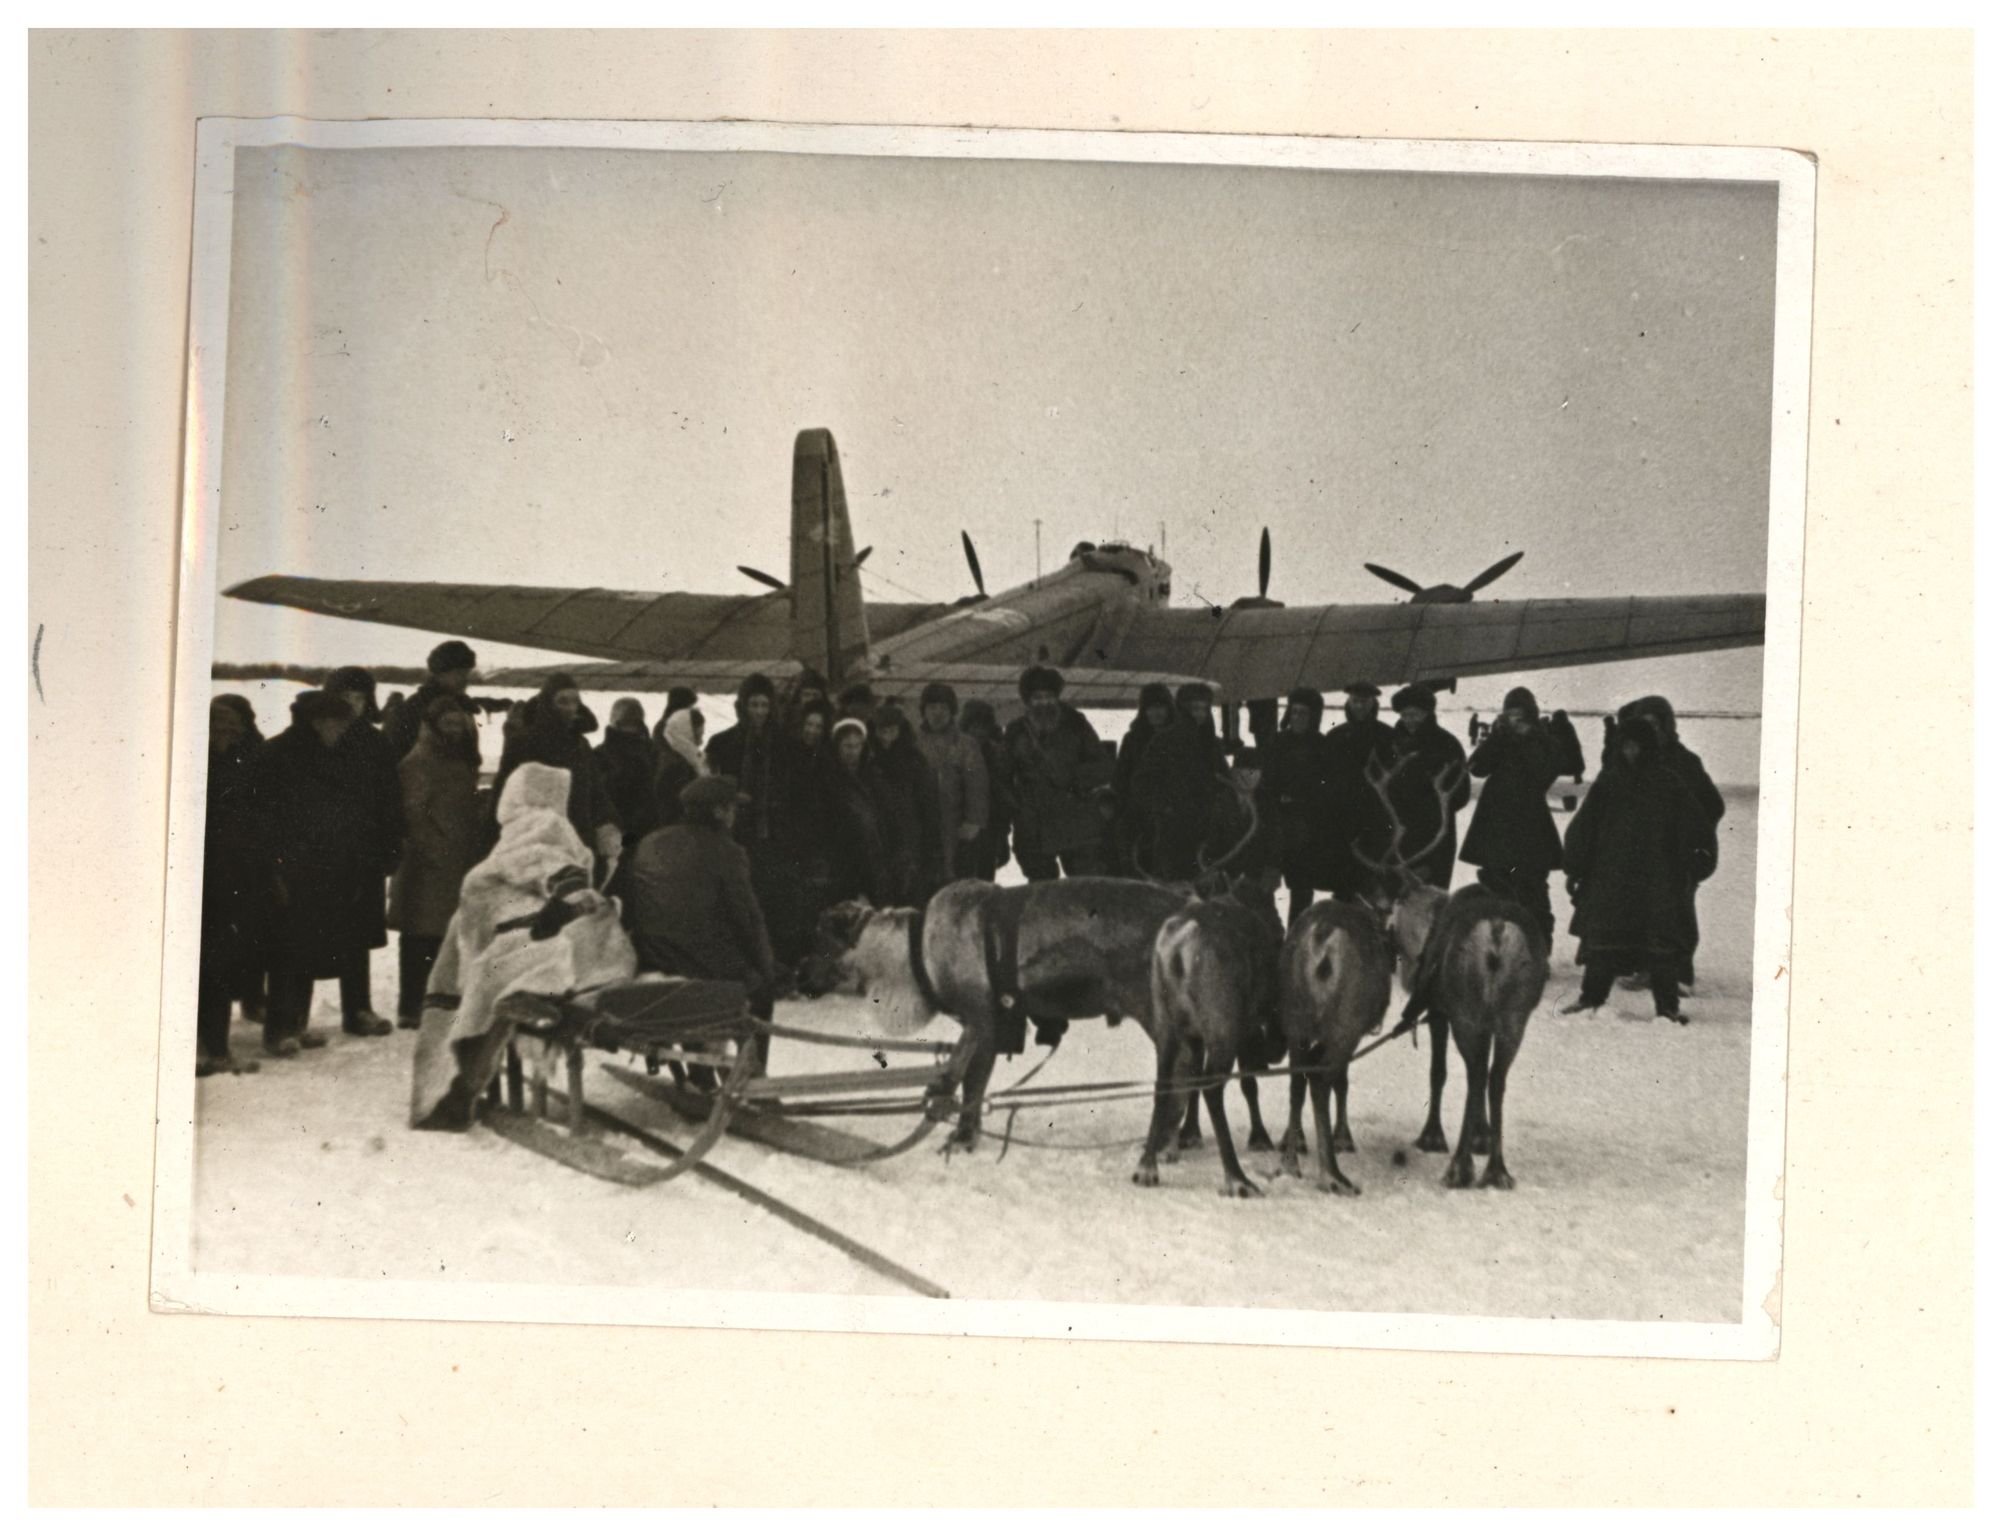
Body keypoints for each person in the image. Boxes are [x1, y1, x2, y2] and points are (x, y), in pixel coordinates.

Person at [251, 691, 387, 1055]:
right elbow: (263, 815)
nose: (342, 731)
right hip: (289, 867)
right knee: (287, 951)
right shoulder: (279, 753)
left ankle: (296, 1024)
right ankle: (280, 1030)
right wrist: (274, 865)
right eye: (339, 724)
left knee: (307, 948)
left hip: (327, 867)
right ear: (320, 721)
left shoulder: (331, 753)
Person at [1560, 713, 1710, 1023]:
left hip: (1656, 882)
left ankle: (1667, 1008)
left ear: (1649, 747)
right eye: (1625, 746)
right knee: (1602, 944)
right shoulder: (1609, 782)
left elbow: (1697, 831)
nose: (1630, 752)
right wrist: (1575, 866)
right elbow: (1585, 827)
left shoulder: (1669, 784)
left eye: (1636, 746)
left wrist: (1693, 868)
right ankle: (1591, 999)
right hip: (1611, 879)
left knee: (1660, 949)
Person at [387, 696, 483, 1029]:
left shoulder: (459, 758)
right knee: (420, 934)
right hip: (427, 863)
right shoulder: (420, 761)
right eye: (448, 723)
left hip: (456, 859)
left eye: (459, 724)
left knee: (444, 933)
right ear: (433, 725)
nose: (455, 730)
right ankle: (411, 1006)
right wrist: (434, 849)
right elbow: (413, 812)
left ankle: (436, 1001)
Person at [1620, 695, 1724, 986]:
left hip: (1679, 855)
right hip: (1646, 852)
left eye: (1655, 723)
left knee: (1678, 914)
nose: (1650, 730)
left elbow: (1713, 805)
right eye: (1644, 724)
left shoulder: (1684, 761)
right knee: (1644, 912)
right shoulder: (1636, 760)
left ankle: (1680, 975)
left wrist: (1690, 838)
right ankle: (1647, 969)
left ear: (1666, 725)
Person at [324, 665, 405, 1035]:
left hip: (364, 853)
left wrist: (391, 844)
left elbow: (391, 798)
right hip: (322, 853)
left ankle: (358, 1009)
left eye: (360, 698)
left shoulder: (376, 742)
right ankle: (290, 1018)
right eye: (346, 697)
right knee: (308, 931)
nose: (353, 705)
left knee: (357, 934)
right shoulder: (317, 737)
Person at [1459, 685, 1564, 951]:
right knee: (1495, 890)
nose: (1514, 721)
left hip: (1531, 829)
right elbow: (1477, 767)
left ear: (1530, 716)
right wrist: (1497, 738)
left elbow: (1542, 773)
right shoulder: (1502, 739)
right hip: (1496, 828)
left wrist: (1523, 738)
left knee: (1532, 894)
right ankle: (1498, 947)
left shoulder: (1545, 741)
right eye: (1510, 715)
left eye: (1519, 715)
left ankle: (1538, 949)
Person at [197, 697, 266, 1075]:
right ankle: (199, 1049)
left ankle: (217, 1049)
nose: (223, 737)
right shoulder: (191, 761)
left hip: (233, 878)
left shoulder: (246, 762)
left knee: (218, 967)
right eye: (216, 730)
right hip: (197, 877)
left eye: (230, 731)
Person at [489, 673, 622, 870]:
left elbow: (596, 792)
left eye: (575, 701)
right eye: (563, 701)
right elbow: (502, 794)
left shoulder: (581, 745)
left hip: (579, 841)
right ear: (548, 704)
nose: (570, 708)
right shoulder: (525, 743)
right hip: (537, 844)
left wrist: (607, 823)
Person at [1001, 666, 1109, 881]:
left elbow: (1102, 765)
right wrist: (1018, 806)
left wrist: (1074, 779)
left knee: (1083, 885)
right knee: (1041, 888)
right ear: (1028, 701)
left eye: (1049, 696)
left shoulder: (1076, 724)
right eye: (1037, 698)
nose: (1044, 703)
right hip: (1034, 825)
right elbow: (1003, 775)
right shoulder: (1016, 731)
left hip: (1074, 818)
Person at [1131, 681, 1234, 880]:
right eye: (1194, 708)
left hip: (1209, 833)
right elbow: (1142, 783)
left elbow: (1225, 781)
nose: (1199, 714)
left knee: (1207, 887)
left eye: (1204, 708)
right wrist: (1165, 807)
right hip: (1174, 833)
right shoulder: (1164, 741)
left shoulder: (1212, 744)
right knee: (1175, 887)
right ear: (1182, 709)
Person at [211, 694, 270, 1023]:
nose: (226, 730)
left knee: (253, 935)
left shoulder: (258, 753)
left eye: (232, 723)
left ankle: (253, 997)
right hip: (216, 861)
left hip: (250, 859)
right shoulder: (202, 754)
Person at [1380, 684, 1471, 889]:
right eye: (1405, 715)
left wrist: (1426, 808)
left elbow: (1461, 793)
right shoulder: (1391, 743)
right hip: (1396, 833)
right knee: (1393, 893)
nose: (1409, 720)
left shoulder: (1447, 744)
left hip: (1433, 837)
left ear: (1427, 712)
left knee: (1427, 894)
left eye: (1415, 714)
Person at [1260, 687, 1336, 924]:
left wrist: (1303, 800)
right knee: (1266, 884)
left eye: (1304, 713)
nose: (1298, 718)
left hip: (1306, 829)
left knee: (1302, 889)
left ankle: (1296, 933)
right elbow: (1266, 781)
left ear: (1313, 716)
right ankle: (1269, 933)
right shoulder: (1277, 742)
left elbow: (1326, 786)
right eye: (1294, 712)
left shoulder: (1322, 745)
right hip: (1276, 824)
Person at [1320, 681, 1397, 902]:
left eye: (1365, 701)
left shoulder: (1387, 736)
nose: (1360, 706)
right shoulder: (1335, 736)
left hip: (1376, 822)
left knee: (1375, 884)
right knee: (1344, 885)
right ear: (1348, 703)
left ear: (1373, 703)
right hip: (1343, 822)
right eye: (1355, 701)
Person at [913, 682, 990, 887]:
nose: (937, 712)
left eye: (943, 707)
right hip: (923, 824)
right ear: (924, 711)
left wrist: (974, 820)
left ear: (952, 710)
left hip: (956, 824)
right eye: (932, 707)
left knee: (957, 879)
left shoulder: (966, 744)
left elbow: (977, 784)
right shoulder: (914, 743)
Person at [379, 640, 503, 765]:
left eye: (466, 673)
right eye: (458, 673)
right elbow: (394, 758)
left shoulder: (463, 708)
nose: (465, 679)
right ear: (440, 674)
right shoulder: (413, 709)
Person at [867, 703, 942, 905]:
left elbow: (928, 804)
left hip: (910, 836)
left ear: (900, 730)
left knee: (910, 891)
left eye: (892, 730)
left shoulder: (914, 760)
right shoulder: (869, 761)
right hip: (880, 836)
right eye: (882, 731)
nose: (887, 736)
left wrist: (930, 845)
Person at [823, 717, 893, 906]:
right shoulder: (828, 779)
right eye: (847, 746)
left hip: (875, 855)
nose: (853, 751)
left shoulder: (872, 776)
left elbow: (885, 814)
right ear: (837, 747)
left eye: (857, 746)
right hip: (843, 859)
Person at [1111, 683, 1175, 875]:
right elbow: (1121, 778)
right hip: (1139, 812)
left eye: (1160, 707)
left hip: (1171, 811)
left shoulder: (1179, 738)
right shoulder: (1133, 739)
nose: (1156, 713)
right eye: (1150, 708)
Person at [594, 697, 661, 849]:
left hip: (614, 831)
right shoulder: (653, 752)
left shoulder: (600, 754)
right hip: (648, 831)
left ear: (614, 721)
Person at [957, 698, 1012, 881]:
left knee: (984, 881)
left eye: (983, 727)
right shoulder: (956, 753)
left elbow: (1003, 799)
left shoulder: (997, 756)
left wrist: (1002, 838)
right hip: (963, 831)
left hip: (990, 830)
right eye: (974, 727)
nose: (979, 732)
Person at [653, 704, 708, 830]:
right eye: (697, 737)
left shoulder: (669, 756)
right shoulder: (678, 766)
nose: (700, 742)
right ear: (685, 734)